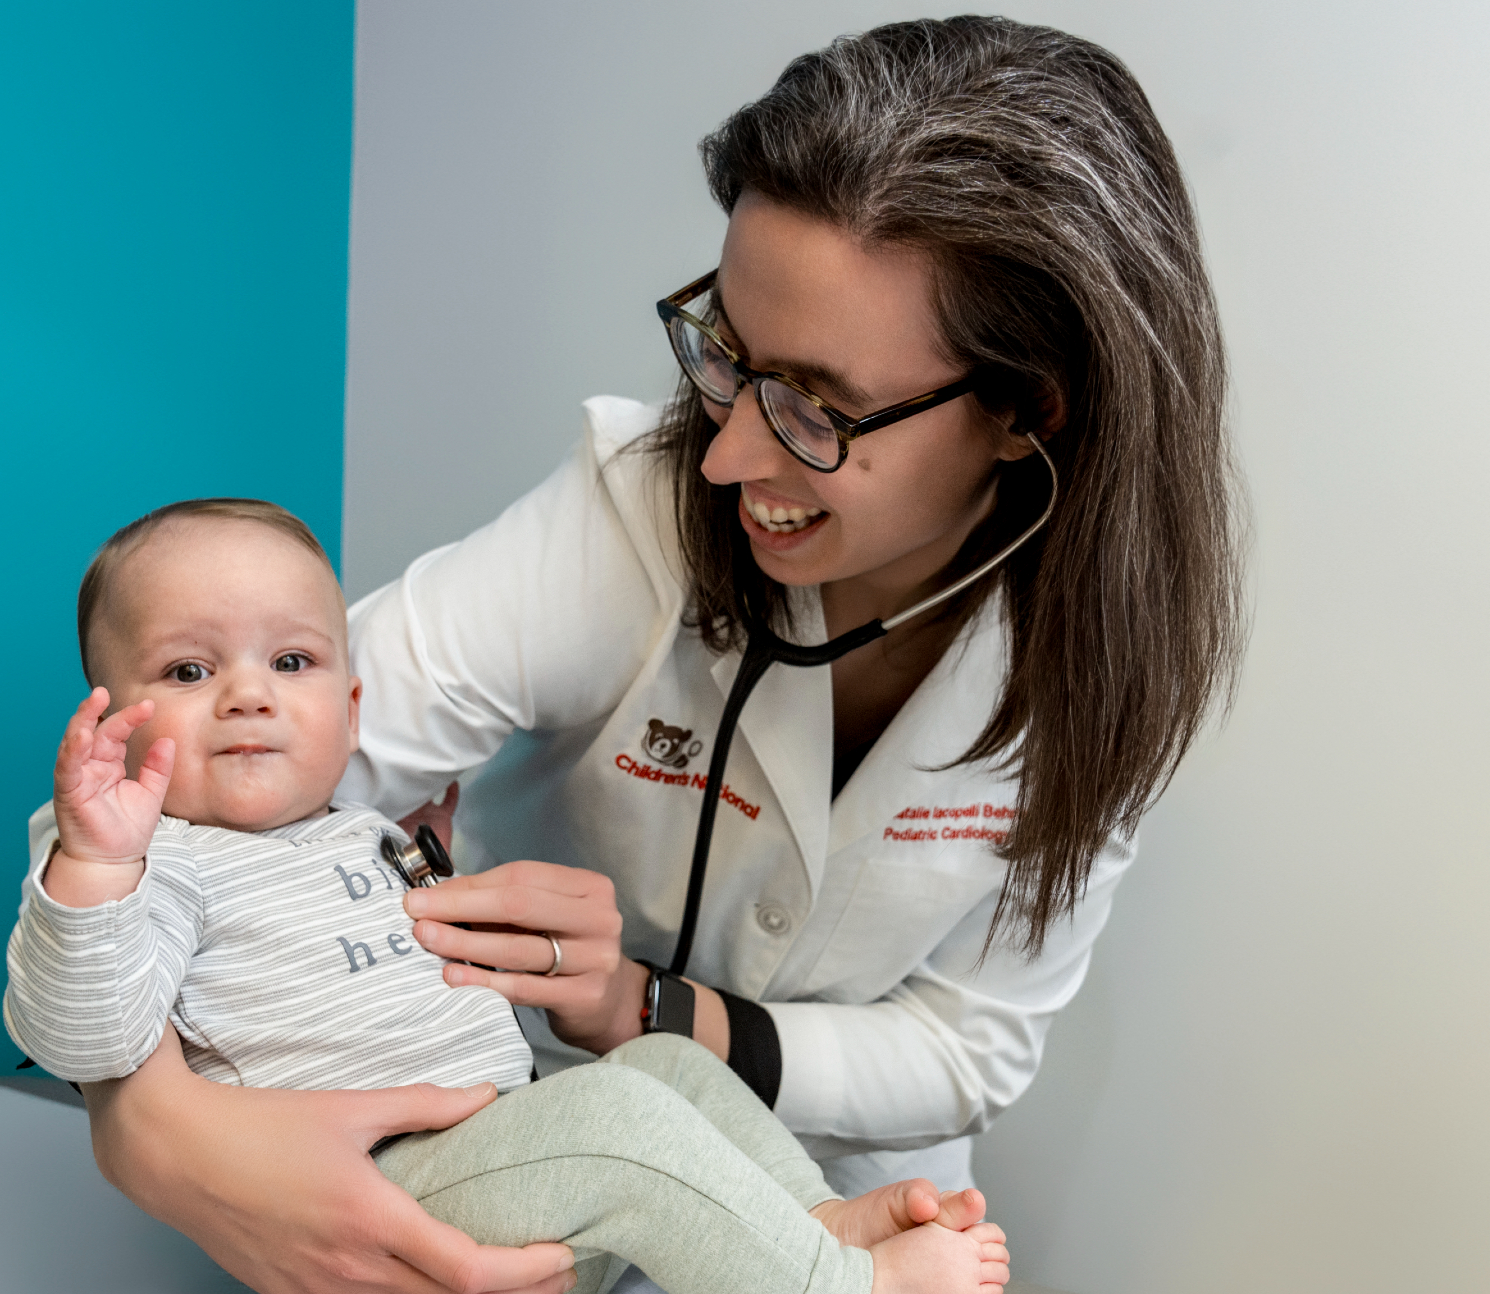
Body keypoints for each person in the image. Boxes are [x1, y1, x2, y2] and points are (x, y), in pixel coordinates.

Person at [72, 17, 1238, 1294]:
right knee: (633, 1118)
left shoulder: (1098, 666)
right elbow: (158, 792)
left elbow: (965, 1051)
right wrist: (162, 1137)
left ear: (1026, 409)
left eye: (816, 407)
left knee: (672, 1106)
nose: (727, 454)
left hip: (820, 1178)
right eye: (725, 353)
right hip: (499, 1153)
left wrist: (646, 1005)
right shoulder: (627, 514)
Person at [2, 498, 1010, 1294]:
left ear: (351, 712)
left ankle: (803, 1222)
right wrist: (94, 862)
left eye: (293, 659)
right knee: (621, 1113)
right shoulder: (163, 864)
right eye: (188, 667)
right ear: (114, 729)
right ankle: (831, 1286)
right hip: (388, 1192)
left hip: (511, 1158)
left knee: (664, 1068)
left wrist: (425, 866)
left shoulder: (364, 831)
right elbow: (84, 1033)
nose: (248, 693)